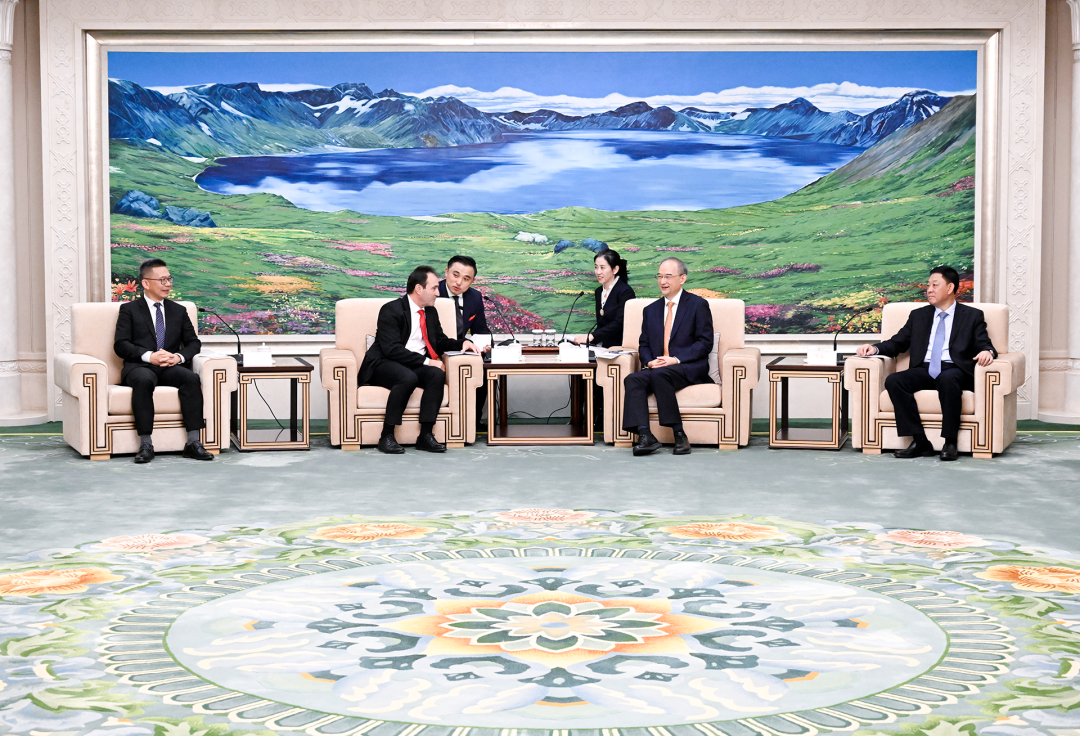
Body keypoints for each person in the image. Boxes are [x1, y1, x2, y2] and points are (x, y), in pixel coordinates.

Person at [856, 265, 997, 461]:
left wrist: (987, 351)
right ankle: (920, 441)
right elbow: (898, 342)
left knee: (948, 379)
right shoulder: (919, 316)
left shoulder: (972, 315)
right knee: (895, 381)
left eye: (935, 285)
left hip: (954, 369)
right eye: (928, 285)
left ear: (950, 288)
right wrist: (874, 348)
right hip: (925, 369)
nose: (929, 289)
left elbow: (985, 343)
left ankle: (950, 442)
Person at [359, 265, 481, 454]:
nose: (438, 293)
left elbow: (439, 341)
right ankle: (386, 436)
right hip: (383, 363)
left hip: (412, 363)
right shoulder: (391, 310)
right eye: (434, 288)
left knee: (435, 375)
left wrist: (463, 343)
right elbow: (392, 349)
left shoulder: (430, 312)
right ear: (418, 289)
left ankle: (425, 435)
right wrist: (428, 362)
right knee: (407, 377)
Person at [113, 258, 213, 464]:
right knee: (144, 380)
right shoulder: (129, 309)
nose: (168, 284)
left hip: (169, 366)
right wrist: (149, 356)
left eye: (169, 279)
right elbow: (121, 344)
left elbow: (193, 343)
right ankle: (146, 444)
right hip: (139, 366)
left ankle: (193, 442)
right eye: (162, 280)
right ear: (146, 283)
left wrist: (178, 357)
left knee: (191, 379)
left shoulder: (179, 310)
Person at [622, 257, 714, 456]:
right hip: (659, 367)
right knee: (633, 379)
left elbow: (705, 343)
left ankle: (679, 433)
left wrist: (676, 359)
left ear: (682, 278)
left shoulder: (698, 305)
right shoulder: (650, 310)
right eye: (659, 276)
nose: (662, 281)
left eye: (668, 276)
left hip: (687, 366)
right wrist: (649, 361)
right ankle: (645, 435)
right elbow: (644, 344)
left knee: (659, 375)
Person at [574, 248, 636, 348]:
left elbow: (620, 323)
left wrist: (592, 336)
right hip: (602, 347)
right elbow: (601, 324)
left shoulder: (626, 292)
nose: (598, 272)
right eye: (596, 267)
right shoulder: (599, 292)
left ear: (615, 269)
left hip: (620, 347)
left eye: (602, 268)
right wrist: (588, 341)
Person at [438, 255, 490, 342]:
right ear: (446, 272)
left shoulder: (475, 297)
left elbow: (480, 330)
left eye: (466, 279)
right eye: (455, 275)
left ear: (472, 281)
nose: (459, 282)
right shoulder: (432, 293)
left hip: (461, 348)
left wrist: (486, 344)